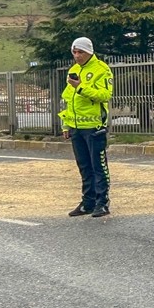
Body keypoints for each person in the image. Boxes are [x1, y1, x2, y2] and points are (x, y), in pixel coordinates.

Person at [59, 37, 114, 218]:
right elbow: (68, 99)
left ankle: (102, 202)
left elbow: (104, 95)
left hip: (94, 127)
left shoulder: (101, 70)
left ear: (89, 51)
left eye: (80, 52)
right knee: (84, 166)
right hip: (76, 127)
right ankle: (87, 202)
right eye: (74, 52)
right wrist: (66, 124)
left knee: (98, 166)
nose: (77, 56)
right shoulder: (74, 70)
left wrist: (81, 87)